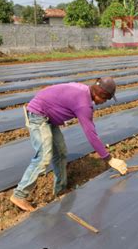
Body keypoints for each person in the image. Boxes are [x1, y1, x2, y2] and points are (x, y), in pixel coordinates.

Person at [10, 77, 128, 211]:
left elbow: (53, 90)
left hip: (49, 118)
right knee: (44, 156)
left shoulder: (83, 89)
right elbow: (91, 135)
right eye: (105, 99)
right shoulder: (84, 105)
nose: (104, 102)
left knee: (60, 153)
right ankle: (19, 195)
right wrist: (109, 159)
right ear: (100, 94)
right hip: (38, 115)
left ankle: (60, 189)